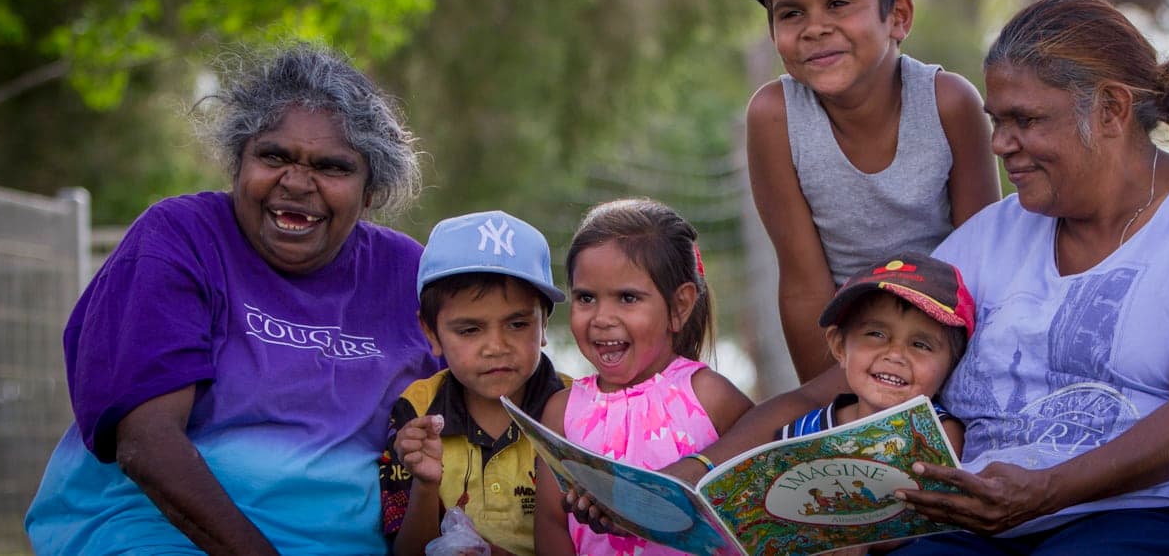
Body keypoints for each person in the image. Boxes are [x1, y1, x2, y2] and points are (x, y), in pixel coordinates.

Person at [679, 0, 1169, 556]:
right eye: (996, 121)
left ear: (1109, 111)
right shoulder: (993, 238)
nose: (998, 144)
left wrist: (1046, 491)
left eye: (1025, 120)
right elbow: (837, 384)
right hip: (1000, 530)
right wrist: (699, 473)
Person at [22, 43, 440, 554]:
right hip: (157, 535)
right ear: (237, 163)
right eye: (273, 156)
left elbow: (488, 392)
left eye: (331, 168)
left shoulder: (410, 274)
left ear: (370, 190)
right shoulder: (179, 239)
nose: (296, 182)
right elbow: (145, 442)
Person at [722, 0, 1000, 382]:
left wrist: (967, 384)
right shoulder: (775, 116)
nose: (815, 27)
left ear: (898, 16)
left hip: (952, 342)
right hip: (849, 355)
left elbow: (987, 264)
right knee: (765, 430)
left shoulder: (949, 103)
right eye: (791, 13)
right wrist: (839, 410)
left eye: (837, 3)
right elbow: (803, 287)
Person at [533, 198, 754, 555]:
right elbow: (550, 522)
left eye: (627, 298)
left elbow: (758, 498)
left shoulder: (708, 397)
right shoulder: (562, 411)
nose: (602, 317)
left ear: (680, 305)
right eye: (586, 297)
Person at [381, 210, 573, 556]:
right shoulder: (417, 412)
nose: (496, 347)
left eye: (517, 324)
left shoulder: (579, 409)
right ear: (431, 333)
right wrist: (426, 484)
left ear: (544, 324)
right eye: (469, 330)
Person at [777, 251, 968, 459]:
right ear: (839, 346)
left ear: (951, 368)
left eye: (920, 345)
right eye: (876, 334)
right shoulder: (802, 435)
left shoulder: (940, 433)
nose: (895, 355)